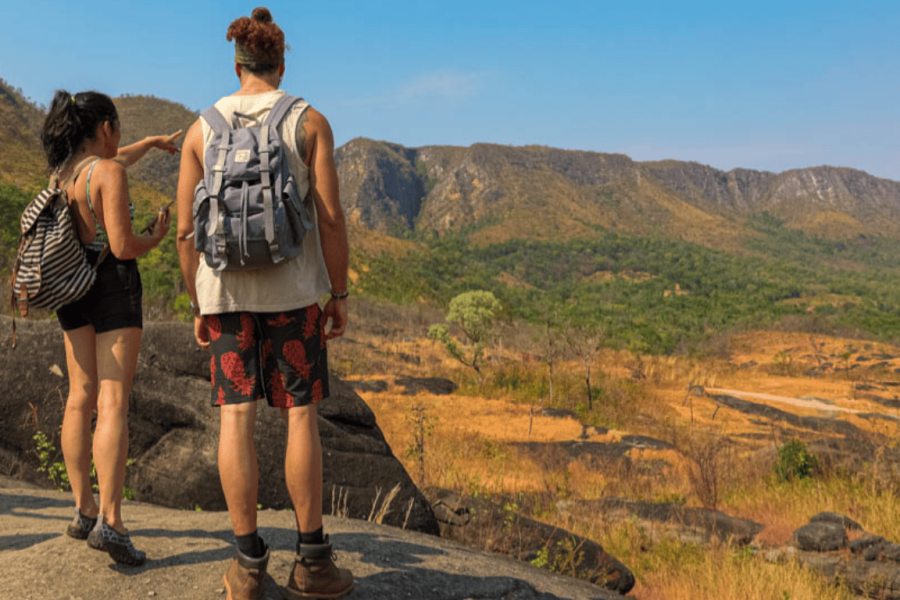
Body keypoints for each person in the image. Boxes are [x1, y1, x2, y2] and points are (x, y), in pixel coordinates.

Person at [175, 7, 353, 600]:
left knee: (236, 419)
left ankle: (248, 565)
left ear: (236, 64)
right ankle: (313, 563)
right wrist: (339, 293)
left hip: (224, 296)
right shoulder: (309, 122)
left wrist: (199, 303)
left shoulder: (201, 129)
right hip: (294, 297)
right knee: (300, 416)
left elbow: (184, 233)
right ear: (281, 62)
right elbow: (330, 220)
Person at [41, 89, 180, 566]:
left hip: (70, 282)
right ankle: (112, 523)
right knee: (113, 399)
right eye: (116, 130)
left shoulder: (64, 174)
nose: (119, 141)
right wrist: (155, 237)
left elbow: (116, 158)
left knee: (80, 395)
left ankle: (84, 510)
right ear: (104, 129)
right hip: (112, 286)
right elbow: (122, 246)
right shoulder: (110, 172)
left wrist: (152, 142)